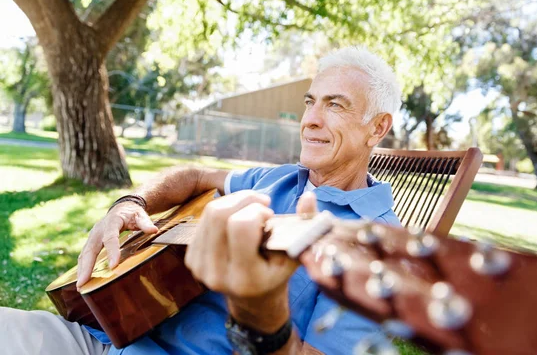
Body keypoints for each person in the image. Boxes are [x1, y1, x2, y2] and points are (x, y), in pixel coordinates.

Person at [0, 46, 402, 355]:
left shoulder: (377, 246)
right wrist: (129, 202)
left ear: (377, 127)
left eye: (335, 105)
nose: (310, 119)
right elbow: (193, 176)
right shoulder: (276, 177)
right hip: (104, 339)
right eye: (310, 101)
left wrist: (263, 317)